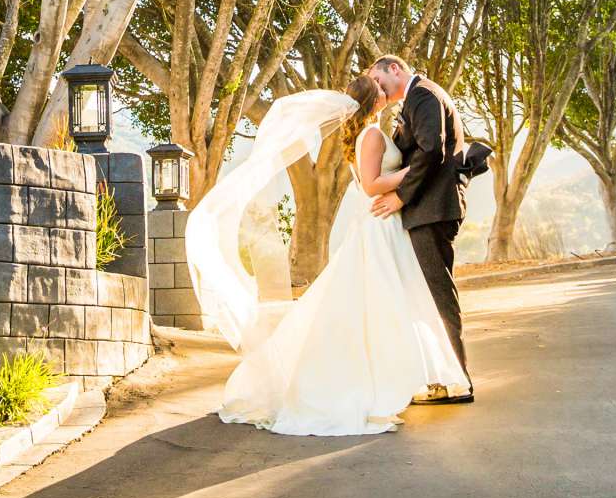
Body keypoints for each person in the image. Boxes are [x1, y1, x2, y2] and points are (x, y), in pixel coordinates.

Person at [201, 71, 472, 437]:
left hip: (384, 224)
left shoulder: (370, 132)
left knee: (393, 302)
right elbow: (373, 184)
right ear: (373, 101)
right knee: (389, 302)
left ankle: (409, 376)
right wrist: (411, 173)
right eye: (380, 90)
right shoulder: (372, 134)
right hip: (381, 225)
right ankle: (393, 380)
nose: (386, 92)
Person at [362, 53, 474, 402]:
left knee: (439, 295)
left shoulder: (423, 95)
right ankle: (444, 378)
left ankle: (459, 382)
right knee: (430, 293)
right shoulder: (417, 97)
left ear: (394, 69)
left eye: (379, 80)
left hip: (432, 209)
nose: (377, 89)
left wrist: (400, 198)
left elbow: (431, 151)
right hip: (428, 208)